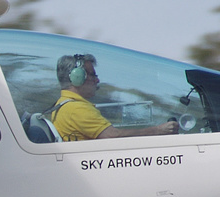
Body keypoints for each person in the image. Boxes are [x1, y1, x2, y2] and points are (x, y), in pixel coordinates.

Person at [50, 53, 178, 141]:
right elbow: (113, 137)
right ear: (77, 78)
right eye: (92, 75)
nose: (97, 80)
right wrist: (159, 130)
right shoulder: (76, 109)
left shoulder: (63, 104)